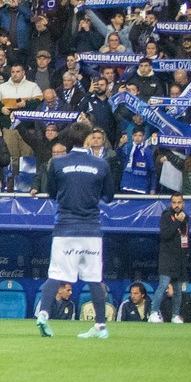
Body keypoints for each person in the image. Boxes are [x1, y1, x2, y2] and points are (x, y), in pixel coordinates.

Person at [36, 125, 121, 338]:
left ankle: (44, 313)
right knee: (94, 278)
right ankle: (100, 326)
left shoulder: (57, 162)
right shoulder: (101, 164)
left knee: (55, 274)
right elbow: (110, 195)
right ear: (89, 140)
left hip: (65, 227)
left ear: (67, 141)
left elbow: (52, 193)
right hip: (91, 229)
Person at [155, 195, 191, 324]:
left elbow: (185, 236)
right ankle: (153, 313)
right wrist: (177, 222)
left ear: (183, 203)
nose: (176, 205)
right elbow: (165, 235)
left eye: (179, 202)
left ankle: (175, 315)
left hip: (180, 258)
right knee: (163, 285)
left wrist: (186, 254)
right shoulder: (166, 215)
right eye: (174, 203)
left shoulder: (186, 217)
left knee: (178, 289)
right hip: (167, 258)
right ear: (170, 203)